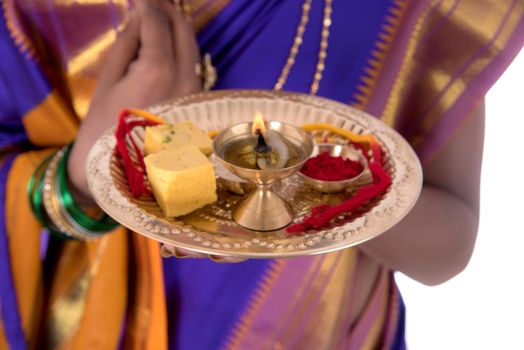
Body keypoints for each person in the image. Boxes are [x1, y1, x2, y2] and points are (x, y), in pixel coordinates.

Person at [1, 0, 522, 349]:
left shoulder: (406, 9)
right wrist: (84, 175)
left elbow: (449, 246)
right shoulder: (34, 11)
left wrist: (316, 200)